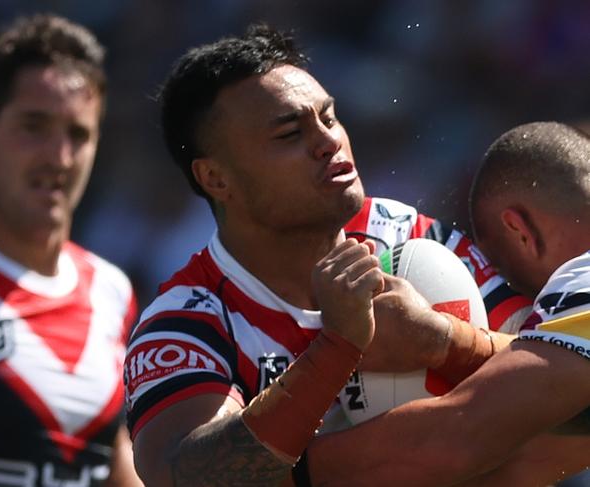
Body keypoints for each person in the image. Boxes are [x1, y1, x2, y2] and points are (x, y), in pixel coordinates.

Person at [124, 24, 530, 486]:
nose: (328, 141)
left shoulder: (407, 236)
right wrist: (338, 349)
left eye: (329, 118)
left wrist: (443, 340)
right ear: (216, 178)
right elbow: (187, 477)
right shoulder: (185, 323)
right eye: (289, 134)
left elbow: (567, 372)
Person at [302, 121, 590, 486]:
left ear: (519, 232)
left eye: (499, 269)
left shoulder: (582, 283)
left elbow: (461, 434)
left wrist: (281, 472)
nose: (514, 292)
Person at [0, 14, 142, 486]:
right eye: (34, 126)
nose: (59, 157)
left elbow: (111, 459)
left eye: (78, 134)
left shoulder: (109, 290)